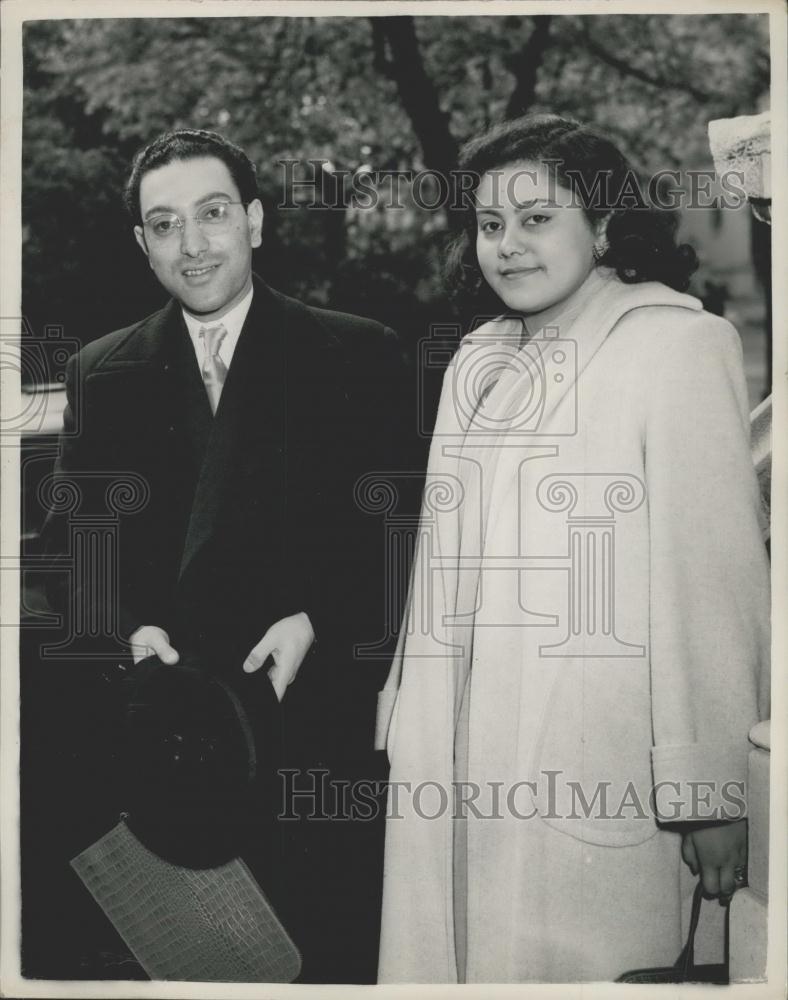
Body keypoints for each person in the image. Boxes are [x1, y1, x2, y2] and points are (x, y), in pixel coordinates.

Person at [375, 114, 771, 983]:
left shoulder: (677, 344)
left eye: (536, 219)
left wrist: (711, 792)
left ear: (602, 226)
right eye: (490, 225)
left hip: (597, 764)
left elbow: (710, 586)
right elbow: (435, 564)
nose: (508, 246)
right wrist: (403, 714)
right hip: (452, 759)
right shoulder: (476, 357)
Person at [41, 128, 407, 982]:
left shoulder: (358, 352)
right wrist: (130, 637)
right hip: (173, 750)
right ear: (142, 244)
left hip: (315, 731)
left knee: (320, 960)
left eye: (211, 215)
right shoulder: (103, 370)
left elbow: (402, 538)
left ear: (254, 219)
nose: (191, 244)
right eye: (163, 225)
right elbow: (73, 555)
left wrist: (321, 617)